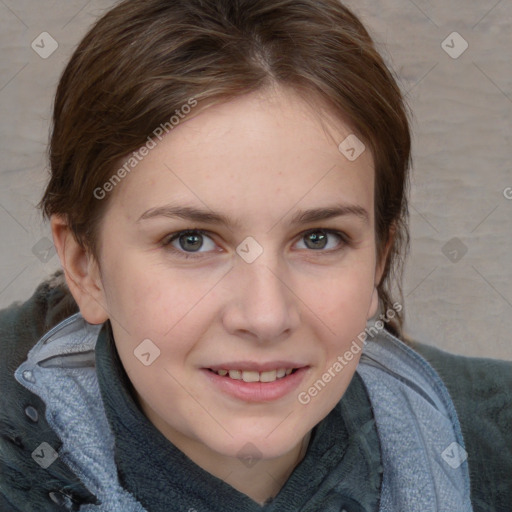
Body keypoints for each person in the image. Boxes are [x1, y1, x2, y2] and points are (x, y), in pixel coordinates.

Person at [0, 0, 510, 510]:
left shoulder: (495, 440)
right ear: (85, 267)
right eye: (192, 240)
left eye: (319, 238)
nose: (266, 316)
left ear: (379, 258)